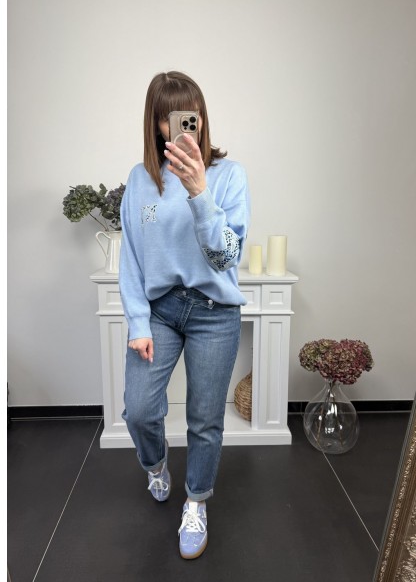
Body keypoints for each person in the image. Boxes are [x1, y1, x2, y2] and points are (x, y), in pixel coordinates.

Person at [119, 71, 250, 560]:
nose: (181, 126)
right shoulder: (140, 179)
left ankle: (196, 501)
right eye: (169, 117)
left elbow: (225, 257)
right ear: (156, 124)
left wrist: (199, 192)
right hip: (161, 309)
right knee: (140, 409)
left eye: (190, 115)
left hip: (215, 313)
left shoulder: (228, 176)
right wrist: (137, 322)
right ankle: (156, 466)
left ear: (200, 117)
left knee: (204, 418)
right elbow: (131, 258)